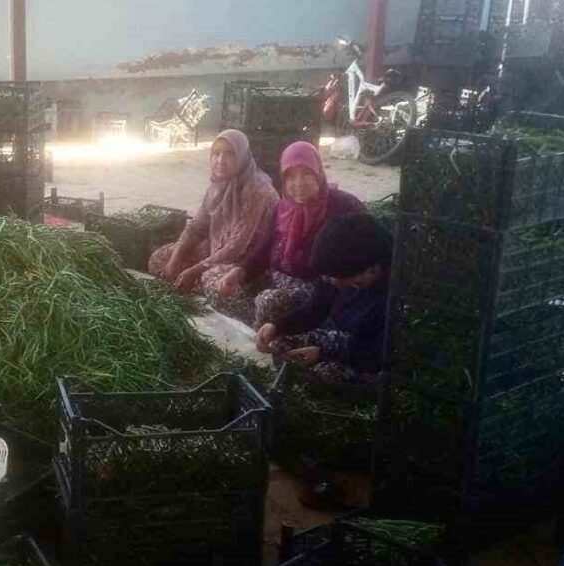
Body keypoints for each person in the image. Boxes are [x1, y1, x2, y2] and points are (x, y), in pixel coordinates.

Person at [216, 141, 363, 327]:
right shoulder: (282, 207)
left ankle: (278, 326)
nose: (299, 183)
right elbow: (264, 247)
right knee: (218, 280)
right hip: (278, 276)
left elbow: (357, 262)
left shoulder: (342, 207)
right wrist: (241, 270)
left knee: (267, 303)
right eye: (291, 176)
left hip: (317, 288)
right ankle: (266, 324)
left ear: (318, 173)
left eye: (306, 173)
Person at [255, 212, 392, 384]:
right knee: (281, 343)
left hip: (369, 356)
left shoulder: (394, 296)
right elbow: (313, 311)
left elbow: (381, 356)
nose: (333, 282)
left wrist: (322, 354)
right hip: (343, 338)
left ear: (372, 268)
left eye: (341, 278)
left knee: (327, 373)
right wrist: (276, 326)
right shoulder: (338, 275)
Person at [148, 130, 279, 296]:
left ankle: (206, 285)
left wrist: (194, 270)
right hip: (217, 247)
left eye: (230, 154)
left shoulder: (257, 190)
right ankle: (191, 280)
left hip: (247, 259)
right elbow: (196, 227)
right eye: (216, 153)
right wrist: (176, 258)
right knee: (159, 259)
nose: (221, 160)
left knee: (215, 283)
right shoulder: (218, 184)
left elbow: (236, 247)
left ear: (243, 157)